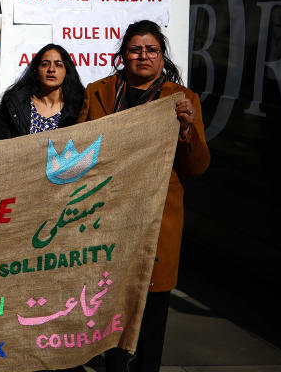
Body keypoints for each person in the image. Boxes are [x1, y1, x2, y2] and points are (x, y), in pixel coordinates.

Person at [78, 20, 210, 372]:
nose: (143, 56)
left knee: (152, 315)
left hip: (157, 221)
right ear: (123, 55)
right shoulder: (98, 92)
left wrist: (185, 129)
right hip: (106, 218)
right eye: (135, 49)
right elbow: (77, 147)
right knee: (109, 308)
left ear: (162, 56)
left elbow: (197, 166)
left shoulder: (181, 99)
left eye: (151, 50)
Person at [0, 44, 85, 136]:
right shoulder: (15, 103)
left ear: (66, 71)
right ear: (36, 71)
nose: (51, 69)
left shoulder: (79, 105)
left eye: (58, 65)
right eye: (45, 65)